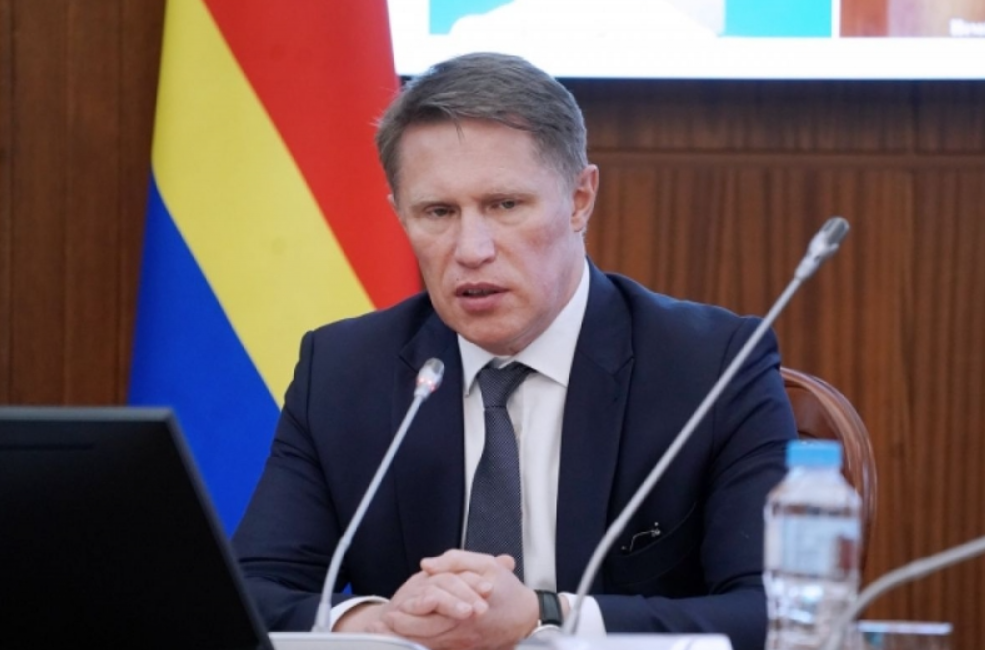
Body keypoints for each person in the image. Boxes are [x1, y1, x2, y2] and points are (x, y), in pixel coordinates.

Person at [232, 52, 797, 650]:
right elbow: (248, 590)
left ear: (579, 199)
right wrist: (378, 624)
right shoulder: (345, 370)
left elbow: (779, 613)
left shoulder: (711, 367)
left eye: (504, 205)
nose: (471, 249)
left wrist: (543, 615)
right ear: (400, 215)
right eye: (438, 212)